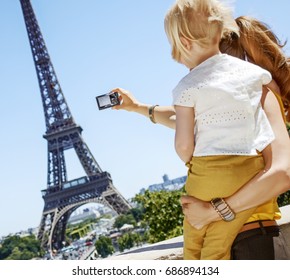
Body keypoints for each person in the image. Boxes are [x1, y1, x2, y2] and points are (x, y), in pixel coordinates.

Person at [110, 4, 290, 259]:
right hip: (252, 231)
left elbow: (282, 173)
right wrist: (136, 107)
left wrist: (214, 211)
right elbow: (175, 115)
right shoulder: (236, 99)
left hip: (246, 231)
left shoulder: (259, 93)